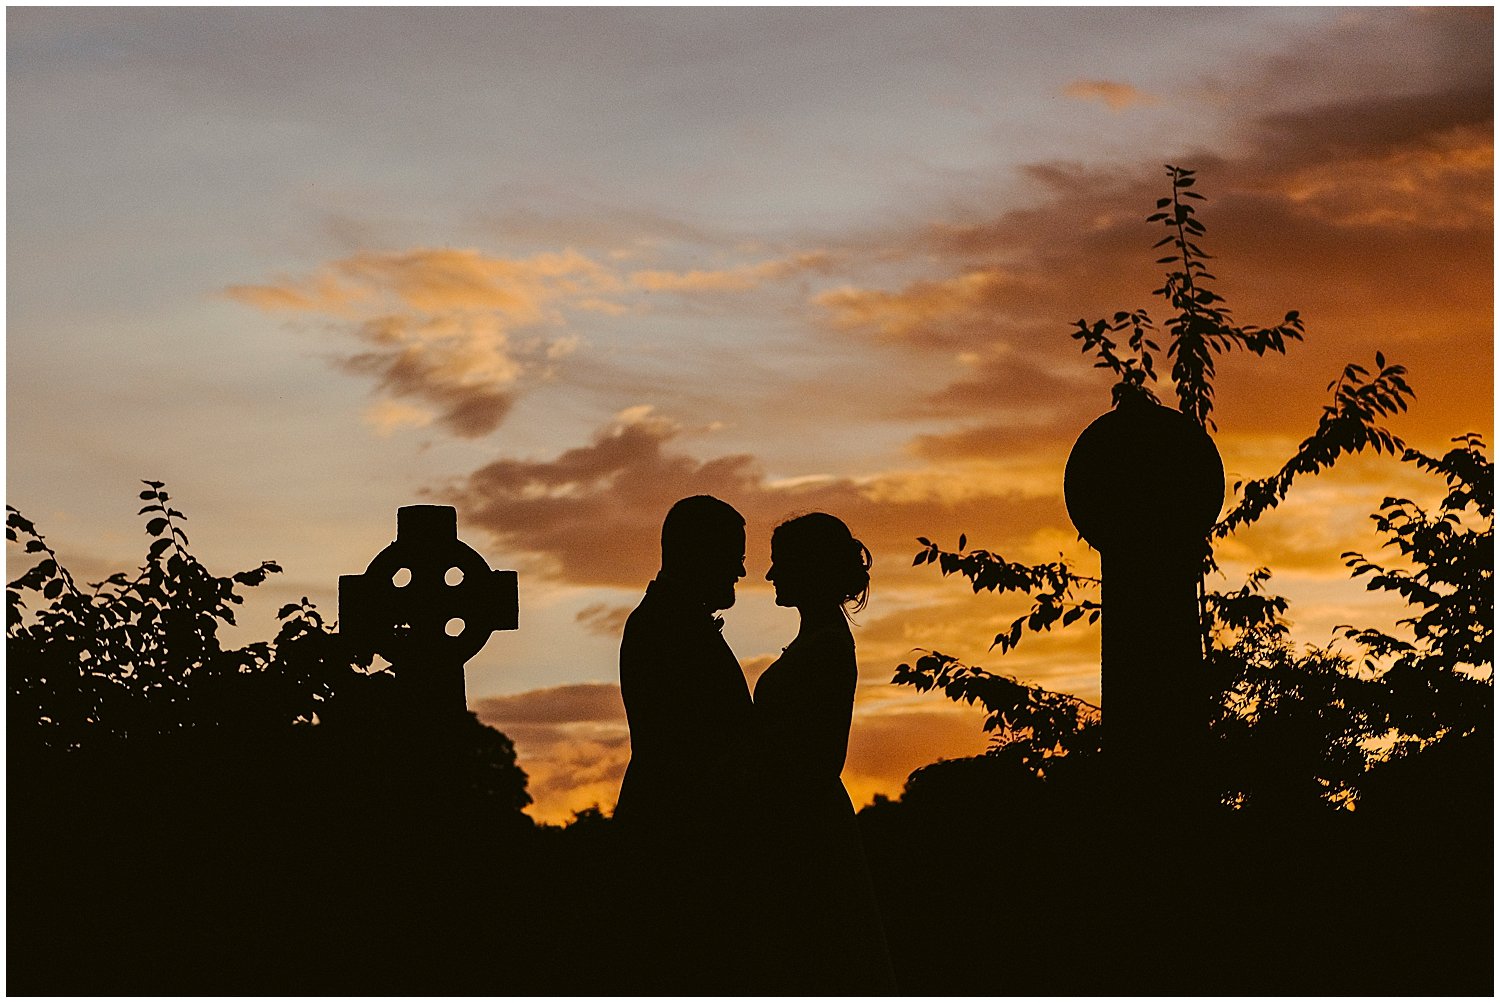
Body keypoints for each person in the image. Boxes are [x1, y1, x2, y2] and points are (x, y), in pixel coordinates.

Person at [613, 494, 759, 991]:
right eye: (733, 556)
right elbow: (687, 748)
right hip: (681, 846)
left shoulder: (672, 618)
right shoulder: (665, 626)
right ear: (699, 554)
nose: (741, 572)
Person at [755, 512, 897, 993]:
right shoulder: (820, 640)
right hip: (806, 818)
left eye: (781, 563)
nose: (771, 575)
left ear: (808, 567)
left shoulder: (825, 647)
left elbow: (813, 757)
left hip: (806, 824)